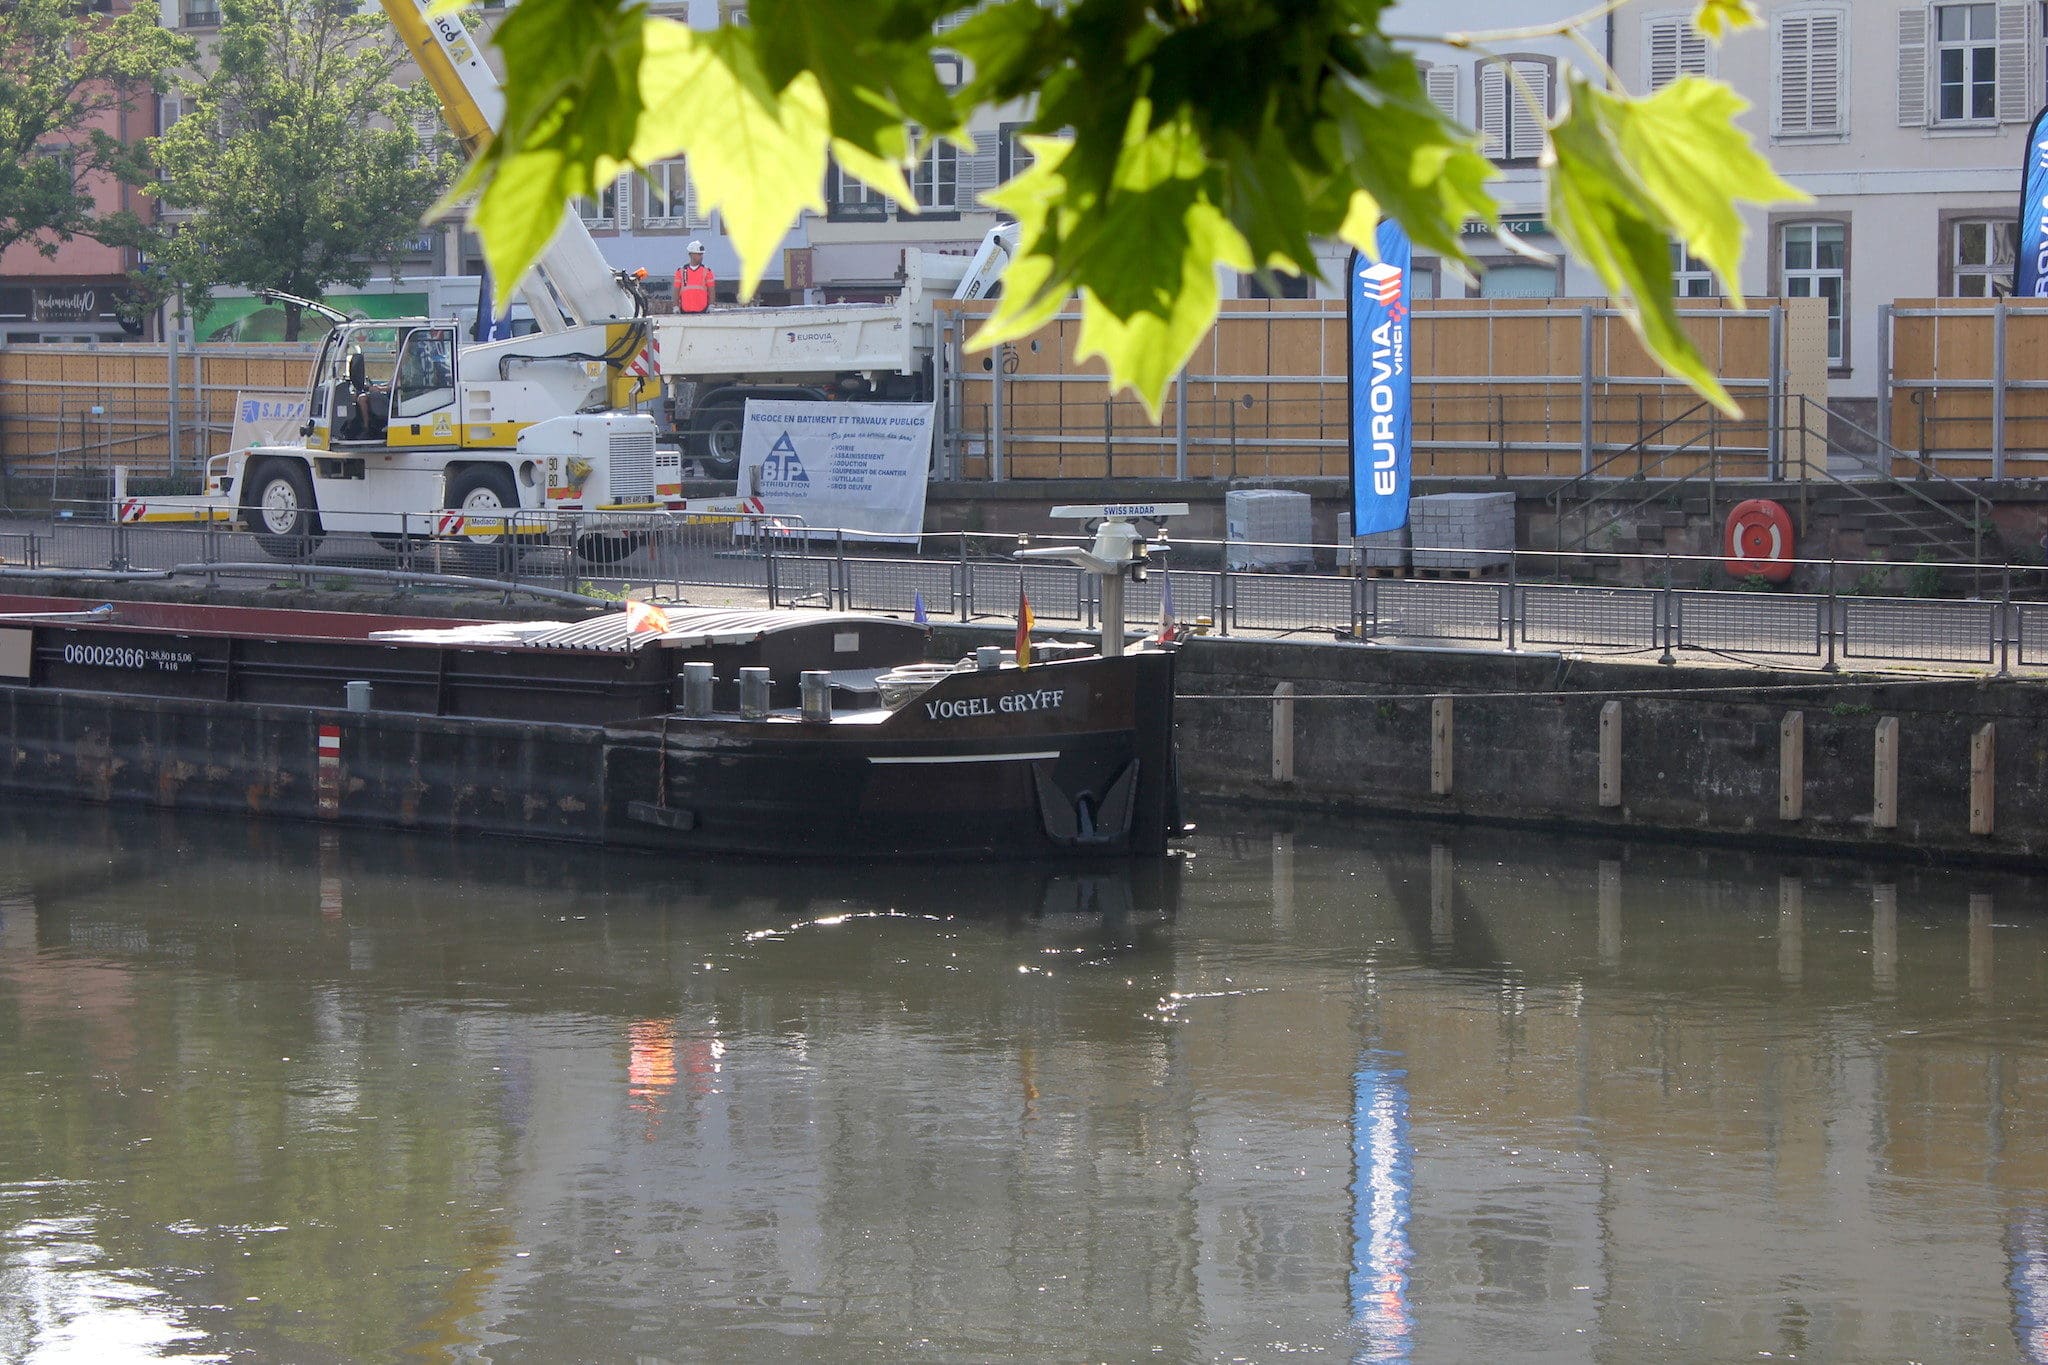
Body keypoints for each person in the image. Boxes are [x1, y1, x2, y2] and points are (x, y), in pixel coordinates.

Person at [674, 240, 714, 314]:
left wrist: (711, 305)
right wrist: (676, 306)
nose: (701, 256)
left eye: (702, 254)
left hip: (703, 311)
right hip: (684, 311)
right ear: (691, 254)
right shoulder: (680, 271)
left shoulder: (707, 271)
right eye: (699, 254)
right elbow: (676, 290)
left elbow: (711, 290)